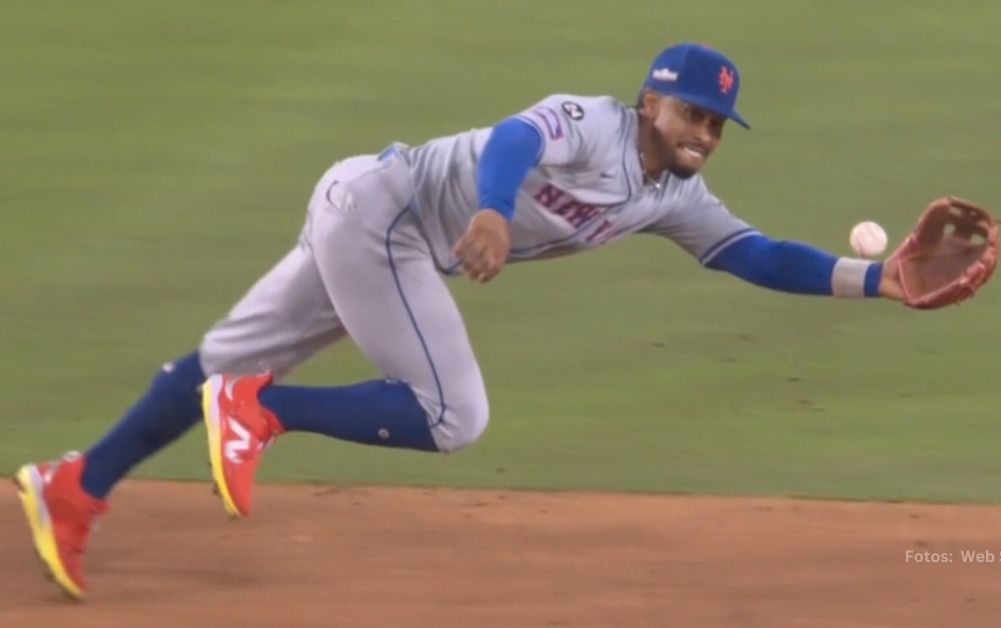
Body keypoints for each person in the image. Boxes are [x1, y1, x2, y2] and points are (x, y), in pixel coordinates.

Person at [13, 42, 906, 599]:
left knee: (215, 359)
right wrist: (489, 208)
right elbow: (514, 140)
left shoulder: (675, 195)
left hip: (365, 217)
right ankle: (261, 408)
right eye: (690, 114)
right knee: (452, 414)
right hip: (385, 218)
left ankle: (74, 488)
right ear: (650, 102)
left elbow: (757, 254)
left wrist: (882, 281)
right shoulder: (590, 123)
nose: (703, 134)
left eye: (717, 124)